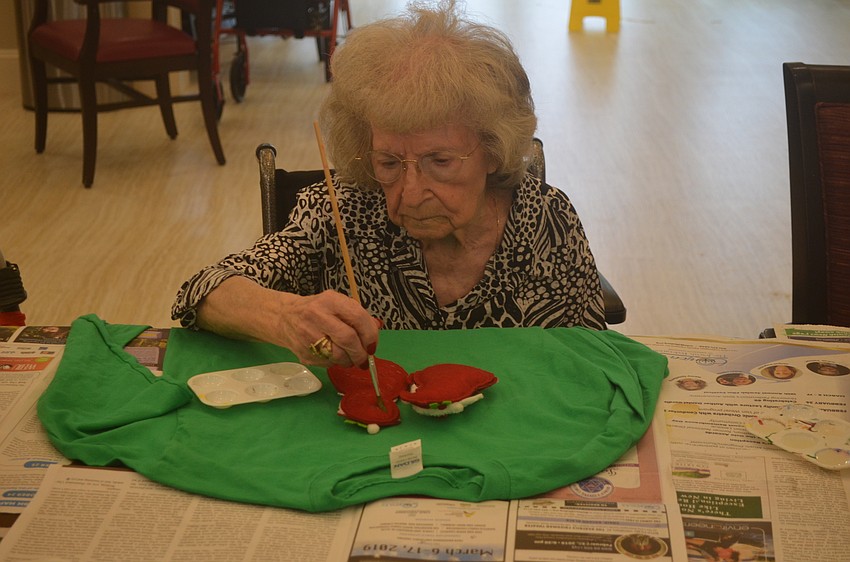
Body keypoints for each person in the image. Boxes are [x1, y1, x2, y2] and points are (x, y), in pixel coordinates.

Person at [172, 1, 605, 368]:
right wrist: (286, 316)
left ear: (492, 151)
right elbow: (202, 292)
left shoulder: (545, 221)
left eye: (440, 161)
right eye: (389, 162)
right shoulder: (340, 209)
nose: (410, 193)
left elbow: (592, 359)